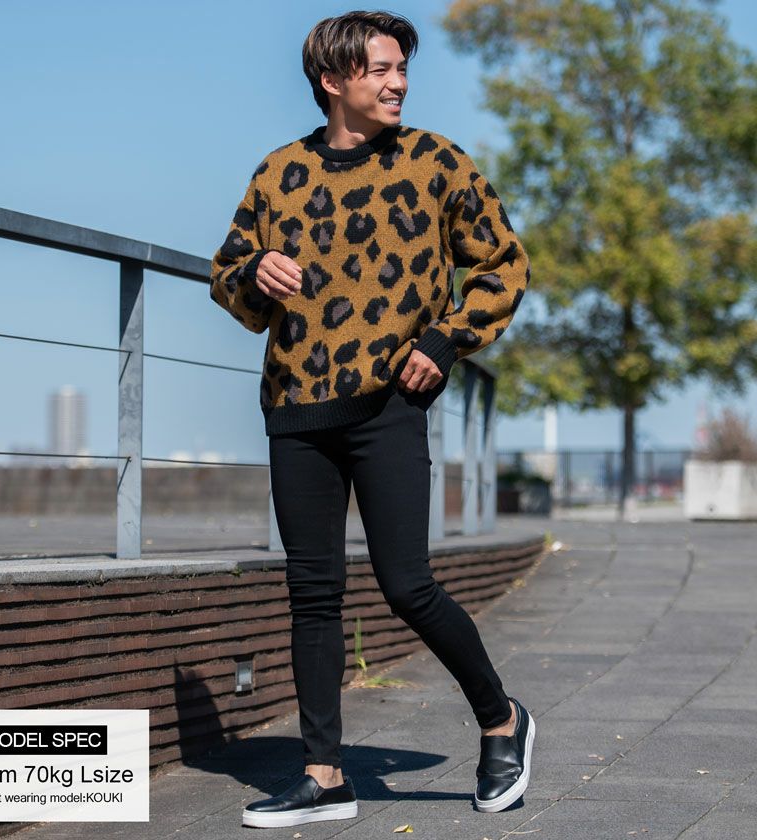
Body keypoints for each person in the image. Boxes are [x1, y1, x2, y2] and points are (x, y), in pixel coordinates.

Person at [209, 9, 535, 829]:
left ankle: (502, 719)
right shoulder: (279, 173)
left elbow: (503, 265)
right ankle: (324, 776)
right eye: (381, 70)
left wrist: (447, 340)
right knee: (312, 595)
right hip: (296, 407)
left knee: (406, 585)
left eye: (402, 70)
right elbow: (227, 279)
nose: (398, 84)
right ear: (333, 80)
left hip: (388, 404)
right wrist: (256, 273)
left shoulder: (434, 162)